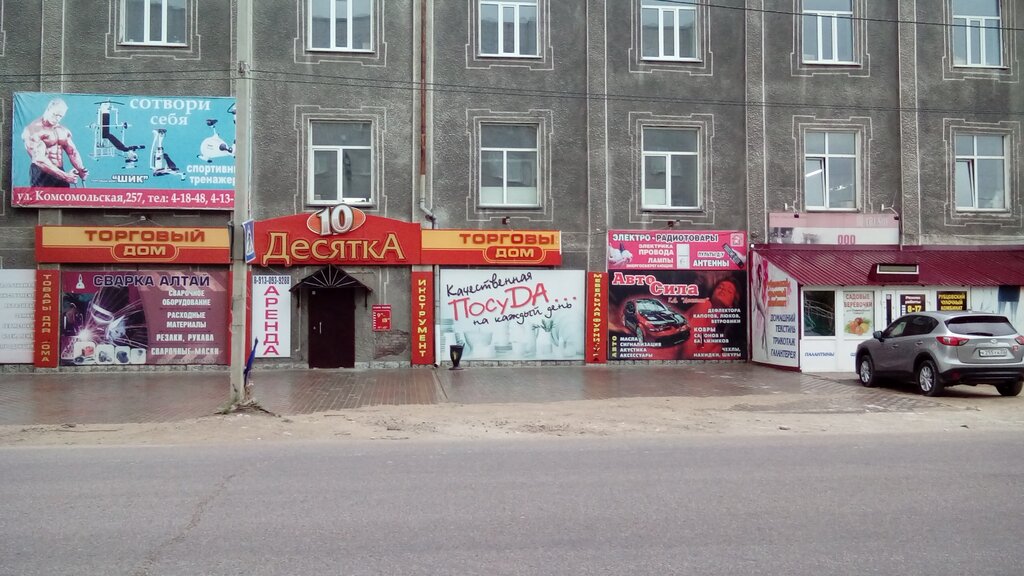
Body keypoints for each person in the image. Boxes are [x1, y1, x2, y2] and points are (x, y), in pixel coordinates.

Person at [22, 98, 88, 187]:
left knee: (64, 196)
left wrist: (80, 169)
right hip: (42, 173)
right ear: (48, 109)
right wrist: (65, 176)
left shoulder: (62, 130)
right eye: (55, 115)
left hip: (60, 171)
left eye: (60, 116)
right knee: (43, 197)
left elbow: (72, 152)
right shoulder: (33, 130)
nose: (57, 119)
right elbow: (39, 160)